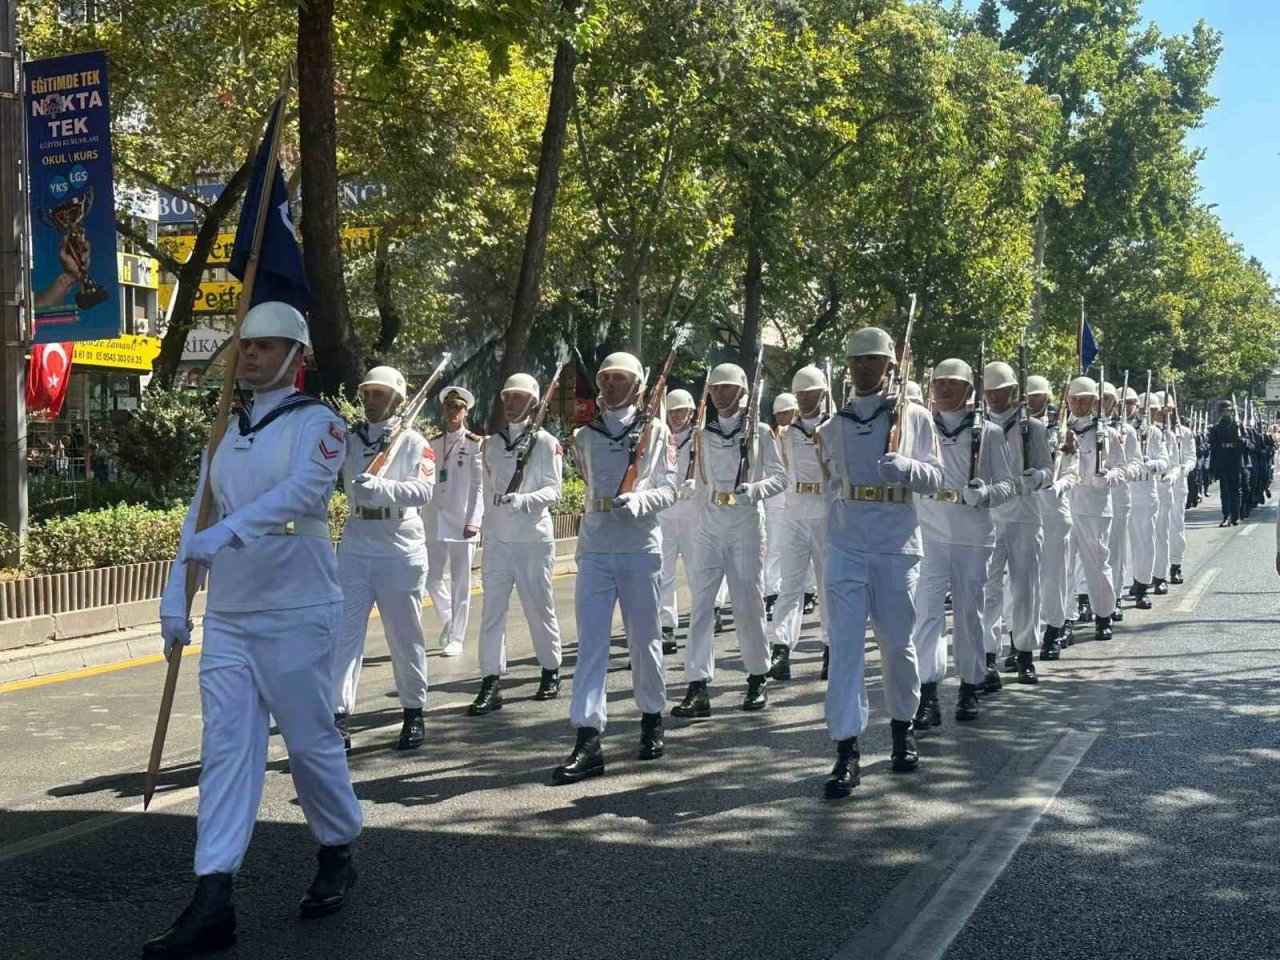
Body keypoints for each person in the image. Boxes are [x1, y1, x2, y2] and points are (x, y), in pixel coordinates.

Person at [145, 302, 362, 957]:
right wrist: (176, 597)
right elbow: (198, 514)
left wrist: (225, 532)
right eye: (247, 346)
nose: (253, 357)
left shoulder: (320, 424)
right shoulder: (226, 428)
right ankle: (213, 898)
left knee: (310, 744)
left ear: (297, 356)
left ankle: (337, 845)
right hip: (234, 619)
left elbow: (301, 494)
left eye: (268, 347)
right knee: (227, 755)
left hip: (297, 610)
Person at [815, 326, 942, 798]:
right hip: (848, 545)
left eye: (873, 360)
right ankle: (845, 750)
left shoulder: (915, 419)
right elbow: (831, 484)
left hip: (896, 544)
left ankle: (902, 727)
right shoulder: (834, 425)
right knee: (845, 647)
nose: (863, 368)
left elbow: (936, 477)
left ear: (890, 365)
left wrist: (906, 469)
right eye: (856, 361)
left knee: (896, 644)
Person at [552, 352, 676, 784]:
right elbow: (588, 485)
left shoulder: (657, 431)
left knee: (644, 642)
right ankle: (587, 737)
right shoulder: (584, 435)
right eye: (604, 378)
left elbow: (670, 488)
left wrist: (639, 501)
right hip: (595, 547)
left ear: (638, 387)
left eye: (618, 379)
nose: (608, 385)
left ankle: (652, 717)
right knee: (591, 644)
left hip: (639, 546)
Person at [672, 362, 787, 718]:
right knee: (702, 606)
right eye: (715, 389)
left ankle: (756, 676)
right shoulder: (699, 434)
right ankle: (697, 684)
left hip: (744, 525)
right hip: (707, 526)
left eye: (727, 388)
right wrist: (691, 484)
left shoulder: (761, 432)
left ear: (742, 392)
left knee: (748, 604)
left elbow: (781, 479)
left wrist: (755, 489)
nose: (720, 394)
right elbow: (682, 473)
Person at [332, 365, 435, 752]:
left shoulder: (413, 442)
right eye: (367, 394)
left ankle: (413, 710)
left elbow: (423, 491)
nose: (371, 401)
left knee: (405, 634)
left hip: (399, 545)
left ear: (398, 399)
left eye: (379, 394)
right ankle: (339, 716)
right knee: (345, 634)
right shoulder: (350, 440)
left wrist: (385, 488)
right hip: (358, 541)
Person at [912, 358, 1014, 725]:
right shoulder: (919, 425)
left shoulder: (989, 432)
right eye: (938, 382)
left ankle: (970, 685)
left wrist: (984, 492)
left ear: (969, 390)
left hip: (971, 533)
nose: (943, 389)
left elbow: (1007, 484)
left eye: (952, 383)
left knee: (969, 613)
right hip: (930, 529)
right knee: (927, 612)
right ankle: (927, 692)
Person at [470, 373, 565, 716]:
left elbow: (556, 489)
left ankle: (551, 668)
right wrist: (480, 524)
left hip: (532, 539)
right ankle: (490, 680)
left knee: (539, 607)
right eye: (506, 396)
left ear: (533, 402)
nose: (509, 403)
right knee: (491, 611)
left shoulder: (546, 443)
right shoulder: (491, 445)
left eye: (517, 397)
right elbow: (484, 488)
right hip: (498, 539)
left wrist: (524, 500)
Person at [981, 362, 1052, 686]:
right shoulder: (977, 428)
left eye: (1000, 391)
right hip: (989, 516)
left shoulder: (1031, 427)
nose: (994, 397)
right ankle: (986, 657)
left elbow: (1048, 470)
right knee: (988, 591)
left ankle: (1023, 653)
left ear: (1013, 392)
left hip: (1024, 514)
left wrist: (1037, 476)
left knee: (1025, 588)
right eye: (989, 391)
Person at [767, 366, 832, 682]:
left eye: (811, 392)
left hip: (825, 512)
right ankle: (781, 647)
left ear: (823, 393)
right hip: (794, 510)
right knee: (789, 586)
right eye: (800, 394)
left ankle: (832, 648)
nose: (805, 398)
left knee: (826, 586)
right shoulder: (785, 434)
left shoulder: (835, 428)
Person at [423, 386, 484, 656]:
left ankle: (457, 638)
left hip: (462, 520)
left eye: (458, 408)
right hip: (435, 519)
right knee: (430, 576)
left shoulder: (474, 443)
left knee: (461, 581)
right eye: (449, 407)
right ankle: (449, 620)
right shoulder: (433, 443)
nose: (453, 412)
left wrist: (474, 520)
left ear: (466, 412)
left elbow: (480, 487)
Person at [1065, 376, 1127, 642]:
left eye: (1084, 399)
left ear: (1094, 402)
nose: (1078, 404)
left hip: (1094, 505)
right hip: (1065, 504)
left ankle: (1103, 616)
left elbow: (1122, 468)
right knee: (1064, 568)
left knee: (1098, 565)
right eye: (1074, 399)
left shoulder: (1108, 434)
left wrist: (1108, 477)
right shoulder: (1059, 430)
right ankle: (1064, 618)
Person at [1030, 376, 1077, 660]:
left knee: (1053, 578)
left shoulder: (1064, 433)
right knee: (1022, 582)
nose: (1034, 402)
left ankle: (1052, 631)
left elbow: (1072, 472)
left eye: (1038, 397)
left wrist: (1057, 488)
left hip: (1055, 511)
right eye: (1029, 397)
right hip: (1026, 511)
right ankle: (1020, 638)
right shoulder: (1017, 431)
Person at [659, 388, 698, 655]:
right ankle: (666, 627)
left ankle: (703, 619)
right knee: (663, 576)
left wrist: (700, 482)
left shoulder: (702, 439)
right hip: (666, 514)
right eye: (671, 411)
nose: (675, 416)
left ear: (691, 412)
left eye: (680, 411)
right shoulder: (661, 439)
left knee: (699, 574)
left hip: (693, 516)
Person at [1102, 383, 1141, 623]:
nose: (1103, 403)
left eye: (1108, 399)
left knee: (1114, 551)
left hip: (1117, 495)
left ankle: (1114, 597)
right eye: (1100, 398)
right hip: (1087, 499)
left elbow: (1134, 464)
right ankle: (1085, 597)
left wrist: (1115, 474)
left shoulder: (1126, 430)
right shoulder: (1078, 428)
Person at [1127, 391, 1168, 611]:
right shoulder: (1119, 430)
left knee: (1145, 543)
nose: (1145, 413)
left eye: (1151, 410)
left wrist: (1149, 464)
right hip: (1122, 490)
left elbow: (1164, 461)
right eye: (1142, 408)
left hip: (1144, 491)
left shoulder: (1153, 432)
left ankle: (1141, 586)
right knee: (1118, 548)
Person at [764, 392, 797, 617]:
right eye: (780, 414)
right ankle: (772, 593)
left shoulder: (807, 433)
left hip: (800, 497)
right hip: (776, 499)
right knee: (774, 548)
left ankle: (809, 590)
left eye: (788, 412)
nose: (784, 417)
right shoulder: (770, 436)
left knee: (802, 549)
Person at [1166, 396, 1195, 585]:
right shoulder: (1149, 433)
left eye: (1168, 409)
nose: (1164, 413)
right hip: (1154, 486)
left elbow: (1191, 457)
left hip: (1177, 485)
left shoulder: (1183, 433)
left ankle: (1175, 565)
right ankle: (1153, 571)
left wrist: (1183, 469)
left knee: (1176, 526)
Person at [1208, 401, 1243, 526]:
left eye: (1228, 410)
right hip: (1223, 461)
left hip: (1235, 460)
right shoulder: (1216, 428)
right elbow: (1213, 448)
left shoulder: (1238, 425)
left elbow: (1248, 445)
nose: (1225, 413)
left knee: (1235, 490)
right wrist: (1212, 467)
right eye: (1223, 411)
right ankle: (1226, 516)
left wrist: (1242, 441)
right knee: (1225, 490)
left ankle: (1236, 515)